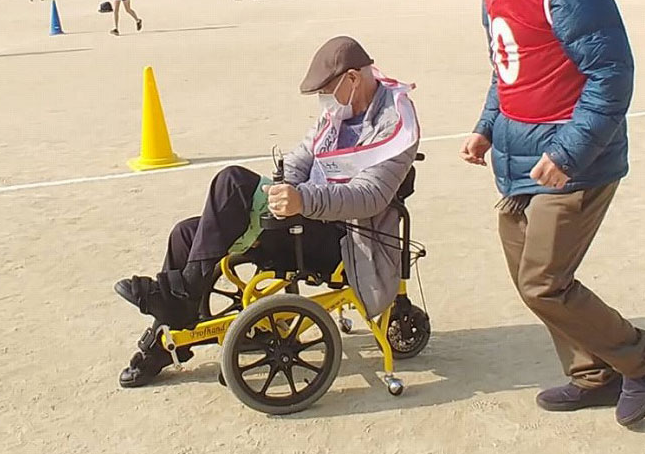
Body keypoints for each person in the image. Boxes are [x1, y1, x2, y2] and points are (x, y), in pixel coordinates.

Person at [458, 0, 645, 427]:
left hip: (573, 162)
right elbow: (509, 71)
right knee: (531, 275)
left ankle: (644, 356)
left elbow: (611, 74)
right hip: (517, 157)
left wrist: (571, 152)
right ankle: (592, 374)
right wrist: (486, 125)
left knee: (543, 281)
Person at [113, 36, 420, 387]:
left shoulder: (395, 124)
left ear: (352, 79)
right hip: (302, 219)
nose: (324, 100)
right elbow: (301, 158)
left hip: (342, 237)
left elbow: (370, 196)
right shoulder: (340, 112)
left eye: (327, 90)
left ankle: (180, 298)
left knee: (231, 182)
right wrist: (281, 192)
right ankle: (167, 339)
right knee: (186, 233)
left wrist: (302, 199)